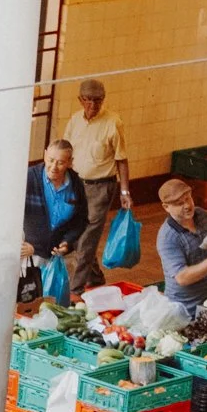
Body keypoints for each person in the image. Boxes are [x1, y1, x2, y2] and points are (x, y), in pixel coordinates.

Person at [63, 76, 133, 289]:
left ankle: (75, 290)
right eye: (88, 100)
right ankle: (95, 277)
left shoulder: (113, 122)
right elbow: (66, 152)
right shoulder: (75, 120)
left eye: (98, 100)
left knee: (86, 240)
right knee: (74, 237)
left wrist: (124, 192)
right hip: (75, 185)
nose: (93, 105)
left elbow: (121, 159)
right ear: (80, 100)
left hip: (101, 187)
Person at [157, 177, 207, 321]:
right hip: (185, 312)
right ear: (166, 207)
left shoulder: (201, 215)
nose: (187, 205)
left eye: (188, 199)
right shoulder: (168, 237)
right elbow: (182, 278)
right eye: (179, 203)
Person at [22, 141, 89, 294]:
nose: (53, 167)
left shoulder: (75, 184)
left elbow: (81, 220)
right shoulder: (29, 178)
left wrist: (67, 242)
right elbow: (10, 213)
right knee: (27, 300)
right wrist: (31, 246)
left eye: (60, 163)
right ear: (45, 155)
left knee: (51, 300)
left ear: (70, 162)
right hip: (28, 255)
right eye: (51, 160)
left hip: (54, 256)